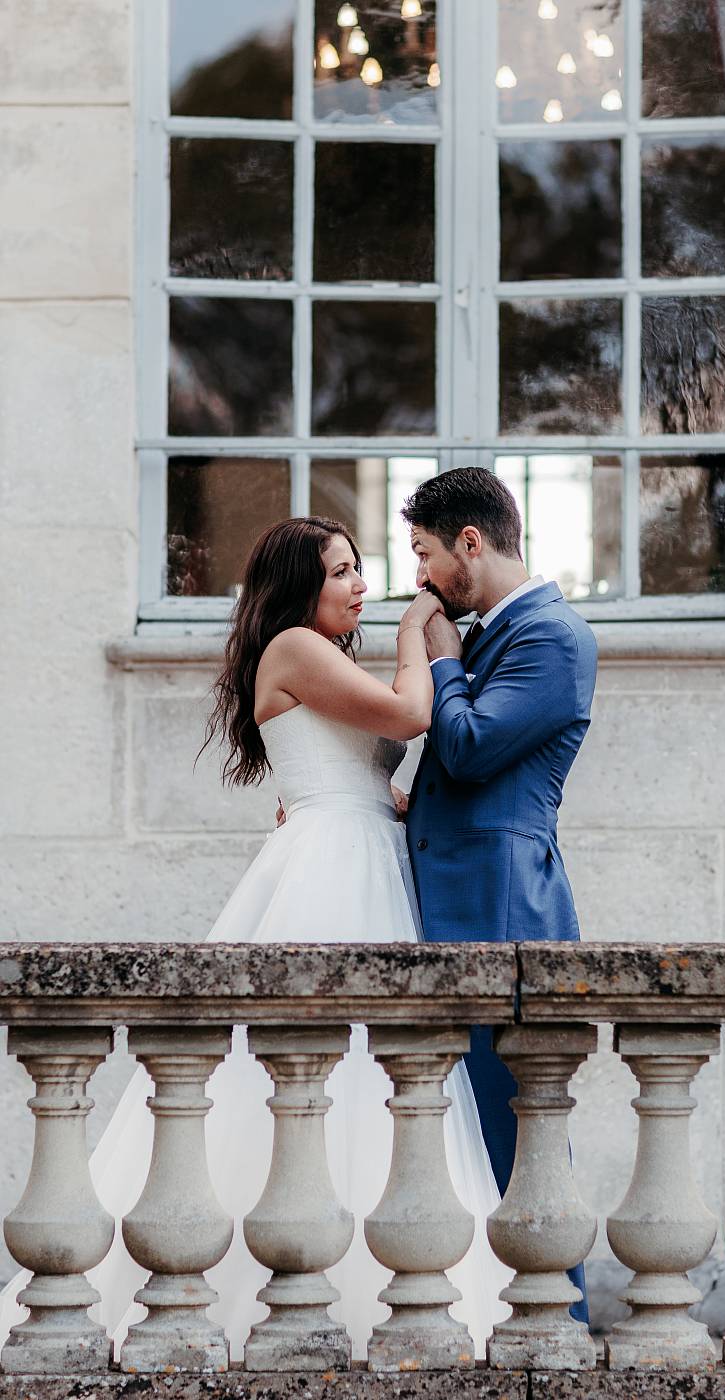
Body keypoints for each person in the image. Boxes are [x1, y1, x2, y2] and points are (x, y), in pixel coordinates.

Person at [0, 515, 509, 1364]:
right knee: (317, 1068)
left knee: (387, 1074)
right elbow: (410, 716)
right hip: (329, 870)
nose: (361, 584)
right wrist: (422, 631)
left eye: (360, 568)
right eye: (342, 572)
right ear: (297, 586)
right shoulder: (296, 648)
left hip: (366, 855)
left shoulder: (327, 656)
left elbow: (360, 767)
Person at [401, 468, 598, 1323]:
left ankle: (560, 1327)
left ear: (470, 545)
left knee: (518, 1144)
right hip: (451, 904)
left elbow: (475, 747)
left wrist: (442, 658)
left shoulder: (553, 637)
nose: (419, 578)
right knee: (455, 1142)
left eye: (425, 554)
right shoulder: (493, 632)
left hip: (503, 909)